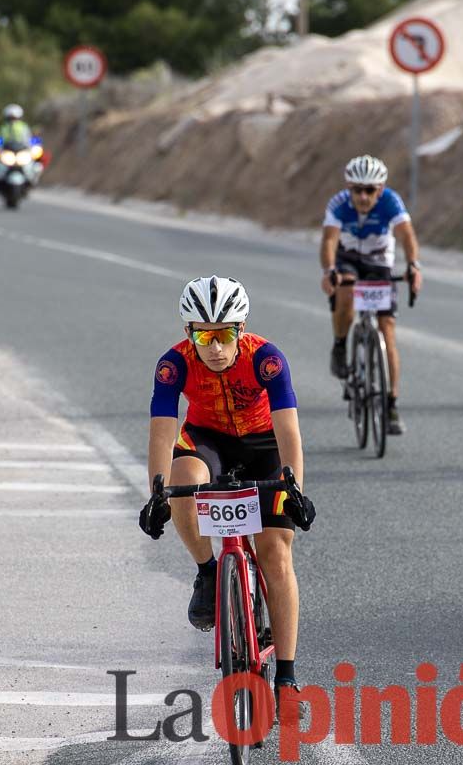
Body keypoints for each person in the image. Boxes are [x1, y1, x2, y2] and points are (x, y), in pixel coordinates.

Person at [140, 276, 316, 713]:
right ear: (189, 334)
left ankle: (288, 677)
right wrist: (156, 494)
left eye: (225, 334)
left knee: (275, 553)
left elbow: (288, 429)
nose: (215, 348)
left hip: (264, 446)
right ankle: (207, 570)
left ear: (241, 330)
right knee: (183, 478)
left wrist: (294, 487)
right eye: (204, 335)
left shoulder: (267, 359)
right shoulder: (173, 366)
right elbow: (162, 434)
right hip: (207, 440)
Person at [320, 155, 423, 434]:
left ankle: (391, 404)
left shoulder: (391, 201)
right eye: (357, 190)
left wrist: (413, 265)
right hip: (348, 259)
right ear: (349, 188)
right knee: (346, 295)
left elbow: (406, 236)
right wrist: (330, 270)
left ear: (380, 189)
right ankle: (340, 344)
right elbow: (329, 241)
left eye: (370, 190)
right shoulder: (338, 204)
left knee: (387, 330)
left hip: (379, 262)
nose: (363, 197)